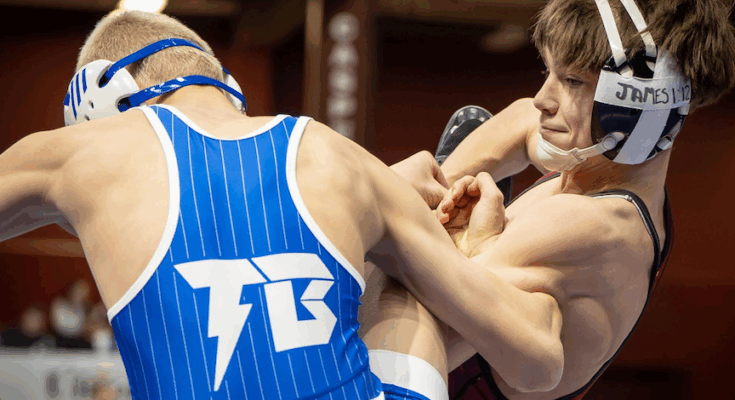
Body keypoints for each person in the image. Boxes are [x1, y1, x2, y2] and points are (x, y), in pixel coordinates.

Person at [0, 9, 536, 400]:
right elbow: (539, 361)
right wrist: (397, 202)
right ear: (228, 88)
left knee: (391, 248)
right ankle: (444, 233)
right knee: (397, 274)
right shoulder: (339, 156)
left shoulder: (80, 154)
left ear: (99, 105)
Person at [362, 0, 735, 399]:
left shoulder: (588, 225)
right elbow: (521, 119)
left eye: (572, 81)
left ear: (636, 108)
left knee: (369, 219)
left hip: (397, 378)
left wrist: (393, 198)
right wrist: (441, 187)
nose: (543, 98)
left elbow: (386, 347)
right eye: (549, 73)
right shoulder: (603, 166)